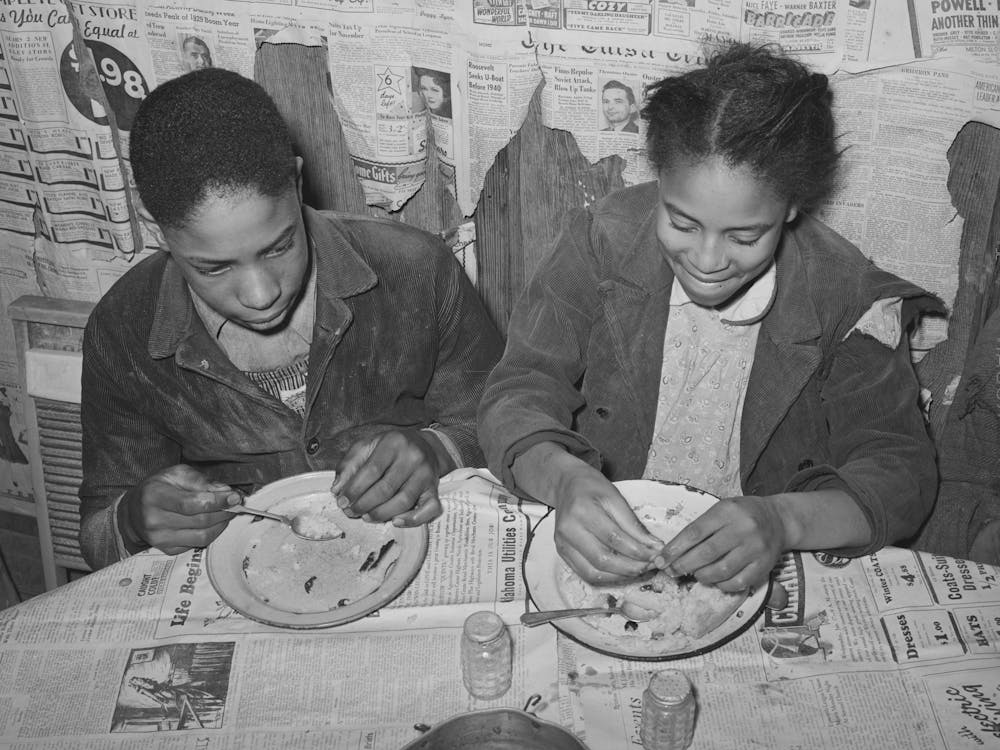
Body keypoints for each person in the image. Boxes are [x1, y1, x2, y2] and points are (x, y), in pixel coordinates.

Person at [478, 42, 942, 591]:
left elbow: (901, 472)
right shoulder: (601, 238)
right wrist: (561, 478)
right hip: (611, 545)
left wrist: (782, 520)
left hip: (751, 570)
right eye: (681, 222)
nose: (706, 261)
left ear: (791, 208)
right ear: (660, 181)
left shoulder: (848, 295)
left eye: (746, 236)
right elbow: (519, 389)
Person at [79, 69, 503, 569]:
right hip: (248, 581)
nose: (261, 295)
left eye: (279, 246)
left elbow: (506, 423)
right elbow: (99, 534)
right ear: (159, 231)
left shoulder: (415, 268)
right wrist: (133, 519)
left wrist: (437, 450)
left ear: (297, 182)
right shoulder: (122, 329)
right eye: (213, 267)